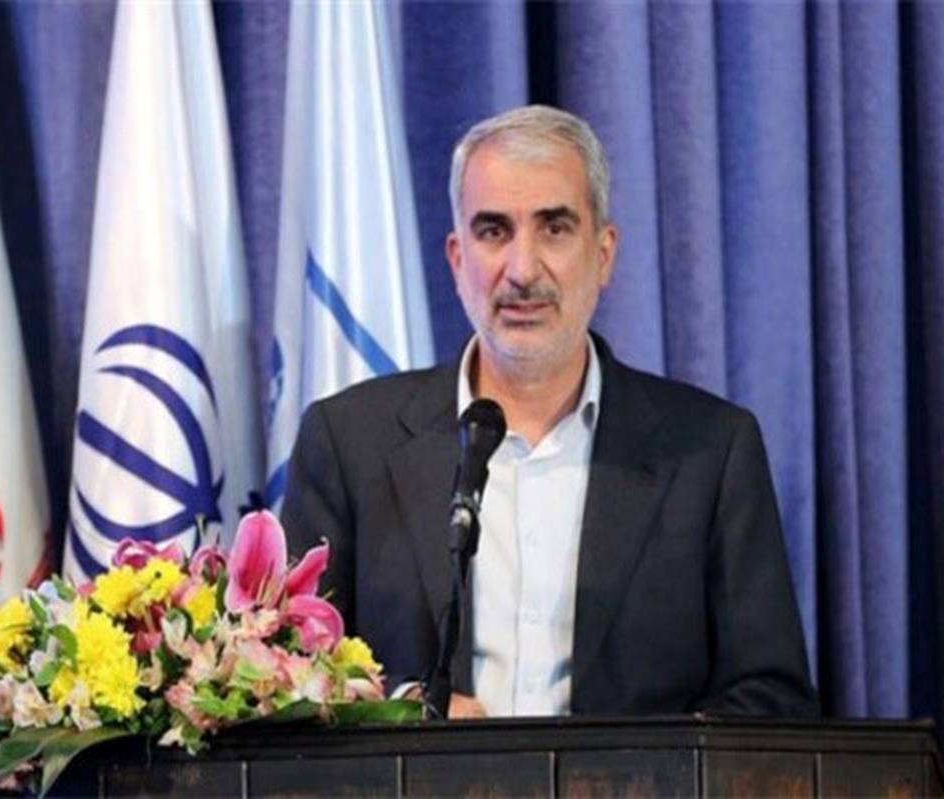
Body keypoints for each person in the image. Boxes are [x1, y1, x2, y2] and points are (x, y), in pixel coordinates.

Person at [280, 105, 818, 719]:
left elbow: (770, 698)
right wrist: (407, 712)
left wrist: (631, 766)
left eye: (555, 228)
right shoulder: (350, 444)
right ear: (457, 260)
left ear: (604, 253)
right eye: (493, 232)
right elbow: (285, 671)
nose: (522, 270)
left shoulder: (711, 451)